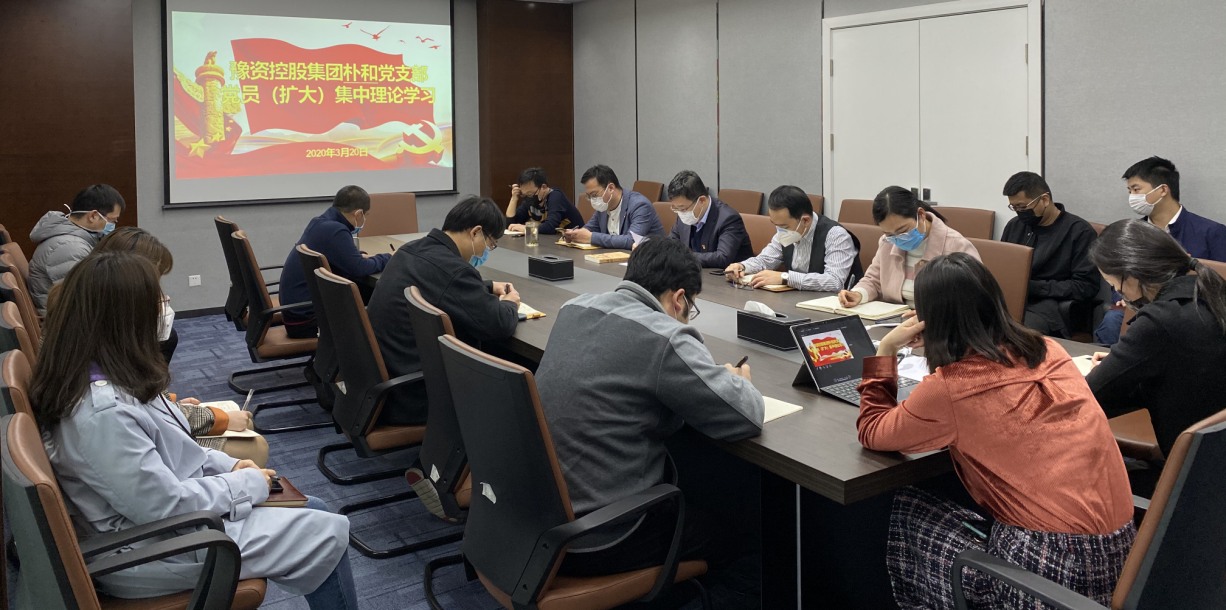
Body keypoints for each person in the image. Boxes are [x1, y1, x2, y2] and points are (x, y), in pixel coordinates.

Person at [31, 251, 357, 609]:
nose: (165, 303)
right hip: (152, 549)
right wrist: (246, 484)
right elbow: (164, 506)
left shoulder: (107, 373)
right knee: (326, 534)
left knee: (317, 508)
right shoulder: (102, 414)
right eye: (155, 298)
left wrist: (231, 466)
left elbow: (177, 446)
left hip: (165, 526)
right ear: (126, 320)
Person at [858, 252, 1135, 609]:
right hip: (1122, 556)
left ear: (927, 321)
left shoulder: (951, 387)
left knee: (907, 506)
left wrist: (886, 349)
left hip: (1046, 573)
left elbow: (873, 430)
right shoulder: (1048, 348)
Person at [534, 238, 764, 604]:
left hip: (538, 520)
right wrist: (740, 381)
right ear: (679, 299)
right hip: (602, 536)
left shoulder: (574, 307)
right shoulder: (664, 335)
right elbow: (746, 415)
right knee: (747, 537)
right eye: (691, 309)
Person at [47, 227, 270, 467]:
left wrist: (169, 403)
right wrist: (215, 420)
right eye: (153, 285)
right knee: (253, 447)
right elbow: (137, 406)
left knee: (242, 435)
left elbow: (139, 395)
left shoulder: (80, 312)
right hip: (142, 436)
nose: (162, 297)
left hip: (140, 426)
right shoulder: (109, 350)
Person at [366, 195, 519, 429]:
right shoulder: (455, 270)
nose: (486, 251)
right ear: (476, 232)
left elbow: (439, 285)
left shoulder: (412, 249)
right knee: (515, 378)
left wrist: (486, 286)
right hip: (417, 396)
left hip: (385, 382)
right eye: (490, 244)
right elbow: (499, 324)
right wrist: (510, 303)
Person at [1087, 220, 1226, 458]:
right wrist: (1125, 360)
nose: (1119, 293)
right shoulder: (1211, 291)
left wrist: (1111, 368)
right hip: (1211, 458)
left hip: (1188, 467)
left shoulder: (1159, 321)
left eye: (1114, 284)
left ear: (1130, 275)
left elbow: (1091, 393)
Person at [1096, 157, 1226, 343]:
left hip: (1190, 309)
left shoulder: (1211, 232)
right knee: (1113, 320)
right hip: (1139, 305)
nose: (1132, 197)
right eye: (1129, 191)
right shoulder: (1132, 233)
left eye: (1136, 189)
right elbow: (1118, 272)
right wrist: (1123, 296)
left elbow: (1219, 283)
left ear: (1163, 190)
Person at [277, 185, 392, 339]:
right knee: (382, 299)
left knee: (368, 293)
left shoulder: (321, 223)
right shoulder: (336, 230)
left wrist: (361, 256)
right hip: (308, 321)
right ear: (358, 213)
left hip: (297, 312)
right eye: (366, 215)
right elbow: (360, 268)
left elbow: (341, 255)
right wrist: (390, 257)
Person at [838, 186, 979, 309]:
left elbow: (974, 297)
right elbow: (873, 280)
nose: (898, 239)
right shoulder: (887, 242)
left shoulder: (957, 245)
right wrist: (858, 294)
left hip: (940, 325)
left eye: (903, 231)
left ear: (921, 214)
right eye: (889, 234)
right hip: (894, 321)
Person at [999, 172, 1100, 338]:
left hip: (1051, 306)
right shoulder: (1015, 226)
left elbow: (1085, 287)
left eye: (1023, 207)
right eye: (1014, 208)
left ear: (1044, 200)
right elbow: (1004, 268)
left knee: (1014, 332)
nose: (1019, 213)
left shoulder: (1079, 232)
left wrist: (1033, 287)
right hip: (1012, 299)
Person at [725, 185, 862, 290]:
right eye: (775, 225)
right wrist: (742, 267)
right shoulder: (785, 232)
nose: (780, 231)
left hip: (834, 307)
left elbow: (834, 281)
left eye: (784, 226)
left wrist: (785, 278)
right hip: (796, 300)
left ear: (805, 220)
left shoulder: (836, 235)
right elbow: (765, 260)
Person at [27, 184, 125, 314]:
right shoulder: (69, 248)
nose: (113, 226)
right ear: (93, 216)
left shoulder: (76, 239)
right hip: (61, 321)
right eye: (113, 220)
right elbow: (80, 300)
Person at [664, 170, 753, 269]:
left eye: (683, 208)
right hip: (694, 272)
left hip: (725, 276)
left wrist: (683, 257)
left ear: (701, 200)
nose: (681, 213)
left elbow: (722, 258)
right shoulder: (684, 214)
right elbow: (670, 246)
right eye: (676, 208)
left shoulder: (728, 219)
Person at [563, 164, 664, 248]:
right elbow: (589, 229)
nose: (593, 200)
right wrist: (574, 234)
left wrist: (591, 237)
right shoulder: (604, 207)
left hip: (650, 261)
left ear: (611, 188)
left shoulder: (640, 205)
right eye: (589, 196)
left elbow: (632, 240)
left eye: (594, 195)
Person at [505, 167, 584, 235]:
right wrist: (514, 198)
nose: (528, 197)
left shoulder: (556, 196)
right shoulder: (530, 200)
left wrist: (526, 228)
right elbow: (510, 224)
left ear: (543, 187)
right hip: (549, 241)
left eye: (530, 194)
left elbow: (550, 227)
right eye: (524, 194)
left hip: (572, 241)